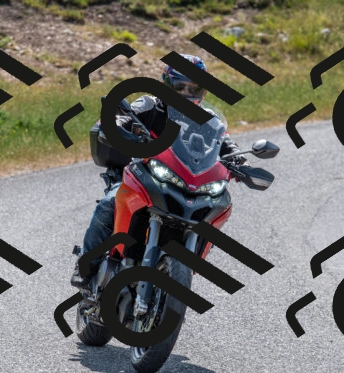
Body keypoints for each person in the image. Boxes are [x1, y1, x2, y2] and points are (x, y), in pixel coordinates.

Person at [71, 54, 247, 289]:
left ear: (203, 91)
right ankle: (87, 265)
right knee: (109, 203)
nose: (186, 93)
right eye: (180, 87)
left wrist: (239, 160)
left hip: (186, 182)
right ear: (166, 85)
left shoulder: (209, 121)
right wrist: (118, 126)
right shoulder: (149, 105)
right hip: (143, 174)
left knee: (211, 212)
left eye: (194, 88)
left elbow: (226, 143)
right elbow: (123, 117)